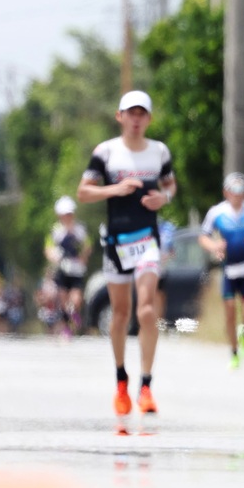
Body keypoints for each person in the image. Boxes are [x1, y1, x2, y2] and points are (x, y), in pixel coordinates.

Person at [76, 90, 177, 426]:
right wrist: (113, 190)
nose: (136, 119)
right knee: (119, 313)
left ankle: (146, 385)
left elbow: (170, 186)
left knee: (146, 309)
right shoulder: (105, 152)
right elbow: (83, 192)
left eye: (142, 114)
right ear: (120, 117)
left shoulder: (159, 151)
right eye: (130, 113)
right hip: (116, 241)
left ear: (148, 118)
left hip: (147, 239)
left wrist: (163, 198)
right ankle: (121, 380)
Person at [198, 173, 244, 370]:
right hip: (228, 269)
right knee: (230, 311)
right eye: (233, 191)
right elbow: (203, 236)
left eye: (241, 191)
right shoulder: (217, 212)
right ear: (226, 192)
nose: (237, 195)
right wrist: (215, 246)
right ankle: (234, 352)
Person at [45, 195, 92, 336]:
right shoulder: (55, 231)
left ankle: (75, 315)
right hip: (62, 270)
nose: (67, 216)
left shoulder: (80, 229)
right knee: (63, 299)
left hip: (76, 270)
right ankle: (66, 328)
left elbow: (87, 246)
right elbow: (48, 248)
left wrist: (83, 256)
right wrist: (54, 257)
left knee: (76, 299)